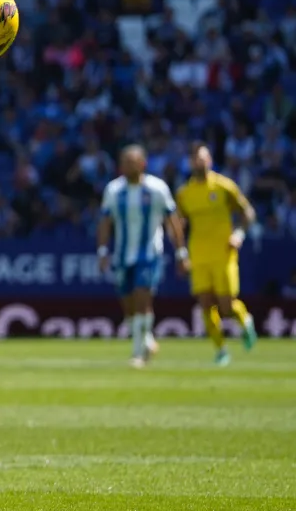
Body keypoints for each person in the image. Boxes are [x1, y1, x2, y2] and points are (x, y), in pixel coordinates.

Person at [97, 145, 187, 368]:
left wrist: (181, 251)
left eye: (132, 161)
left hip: (149, 254)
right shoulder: (113, 190)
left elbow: (172, 221)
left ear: (143, 164)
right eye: (124, 161)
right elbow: (105, 222)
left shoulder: (157, 189)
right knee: (127, 304)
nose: (128, 165)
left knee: (141, 299)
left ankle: (138, 353)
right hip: (122, 255)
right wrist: (102, 251)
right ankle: (146, 339)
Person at [175, 142, 257, 366]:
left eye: (202, 158)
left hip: (223, 253)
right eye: (195, 159)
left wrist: (239, 234)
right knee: (205, 305)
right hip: (199, 255)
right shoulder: (185, 194)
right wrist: (181, 254)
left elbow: (247, 212)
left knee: (226, 306)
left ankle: (245, 319)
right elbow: (177, 225)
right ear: (190, 163)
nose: (199, 162)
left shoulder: (224, 187)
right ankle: (221, 350)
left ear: (209, 160)